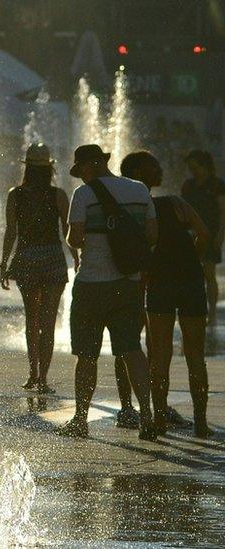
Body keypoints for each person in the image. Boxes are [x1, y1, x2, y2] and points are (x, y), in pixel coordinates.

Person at [56, 144, 159, 441]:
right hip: (128, 284)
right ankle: (147, 416)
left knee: (87, 355)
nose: (81, 177)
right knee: (131, 350)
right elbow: (152, 235)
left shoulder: (85, 195)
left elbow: (74, 239)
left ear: (94, 164)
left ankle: (80, 419)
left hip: (92, 285)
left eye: (82, 170)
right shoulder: (139, 190)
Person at [122, 151, 213, 437]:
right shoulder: (174, 204)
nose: (161, 169)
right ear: (140, 173)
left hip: (158, 282)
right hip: (190, 281)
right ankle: (200, 423)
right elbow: (204, 235)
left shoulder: (130, 209)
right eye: (154, 167)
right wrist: (190, 261)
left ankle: (158, 420)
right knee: (195, 354)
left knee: (158, 354)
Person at [0, 143, 77, 394]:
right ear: (49, 169)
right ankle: (43, 378)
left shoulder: (15, 194)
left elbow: (11, 231)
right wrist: (76, 257)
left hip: (26, 259)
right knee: (48, 320)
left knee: (31, 320)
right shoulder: (58, 195)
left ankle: (32, 373)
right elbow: (67, 231)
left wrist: (4, 264)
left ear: (27, 168)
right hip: (53, 259)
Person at [180, 149, 225, 322]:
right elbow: (183, 210)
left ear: (205, 166)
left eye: (195, 167)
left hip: (211, 234)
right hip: (191, 234)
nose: (193, 171)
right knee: (190, 274)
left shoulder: (217, 185)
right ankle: (193, 310)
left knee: (208, 273)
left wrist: (220, 235)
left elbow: (223, 212)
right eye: (190, 168)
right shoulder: (188, 185)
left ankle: (212, 312)